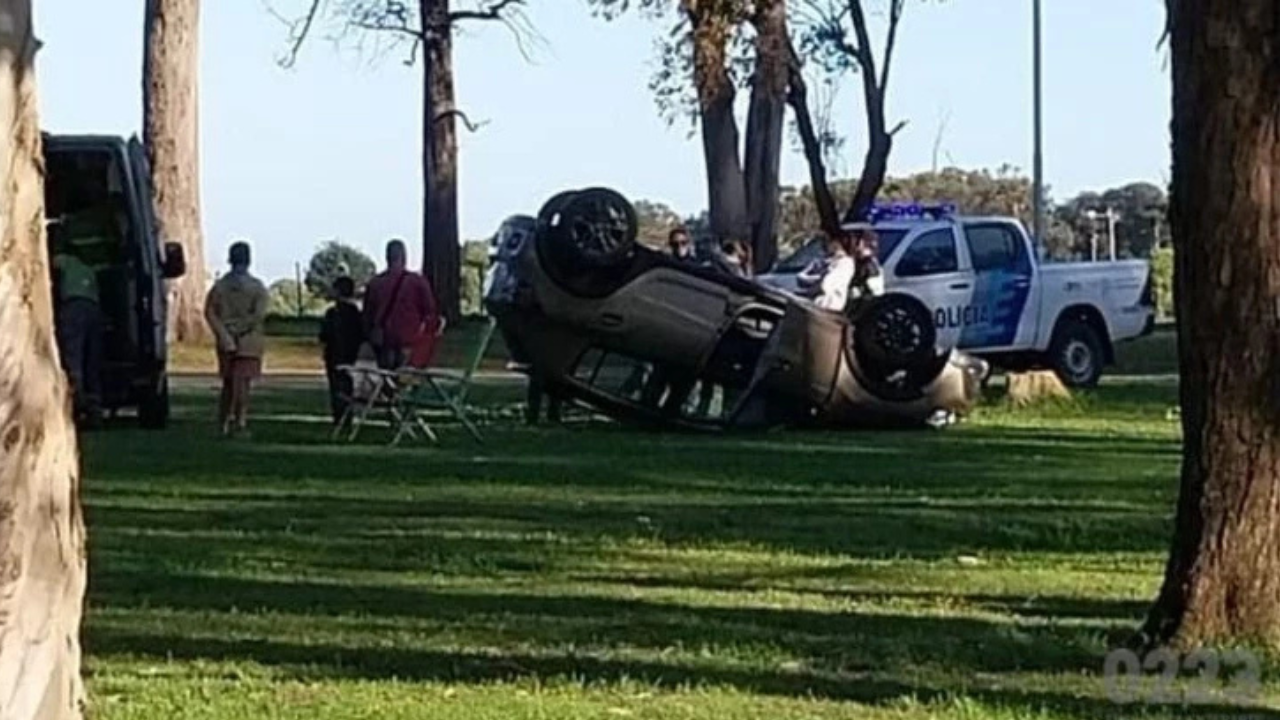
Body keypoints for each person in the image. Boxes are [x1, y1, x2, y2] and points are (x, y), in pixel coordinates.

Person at [205, 241, 270, 437]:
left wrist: (224, 333)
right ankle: (239, 422)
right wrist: (240, 329)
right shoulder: (257, 287)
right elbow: (258, 315)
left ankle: (223, 422)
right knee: (242, 384)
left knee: (229, 384)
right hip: (249, 342)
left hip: (226, 341)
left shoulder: (220, 287)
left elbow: (210, 312)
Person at [51, 230, 105, 428]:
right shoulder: (90, 269)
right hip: (94, 309)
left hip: (73, 308)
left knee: (74, 356)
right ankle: (95, 409)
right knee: (92, 359)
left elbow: (50, 263)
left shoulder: (66, 261)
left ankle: (76, 402)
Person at [363, 239, 440, 370]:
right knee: (405, 378)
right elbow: (430, 310)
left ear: (387, 257)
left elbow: (367, 314)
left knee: (386, 377)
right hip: (409, 337)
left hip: (383, 338)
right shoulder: (418, 282)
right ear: (404, 257)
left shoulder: (375, 283)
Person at [318, 275, 365, 425]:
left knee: (335, 386)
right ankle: (347, 416)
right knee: (347, 384)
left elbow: (324, 335)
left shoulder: (332, 313)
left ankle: (338, 416)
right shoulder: (356, 313)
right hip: (350, 354)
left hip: (333, 354)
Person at [796, 231, 857, 312]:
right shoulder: (822, 261)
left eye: (826, 240)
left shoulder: (845, 263)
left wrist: (818, 280)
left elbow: (825, 284)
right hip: (810, 307)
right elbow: (801, 277)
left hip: (826, 311)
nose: (824, 244)